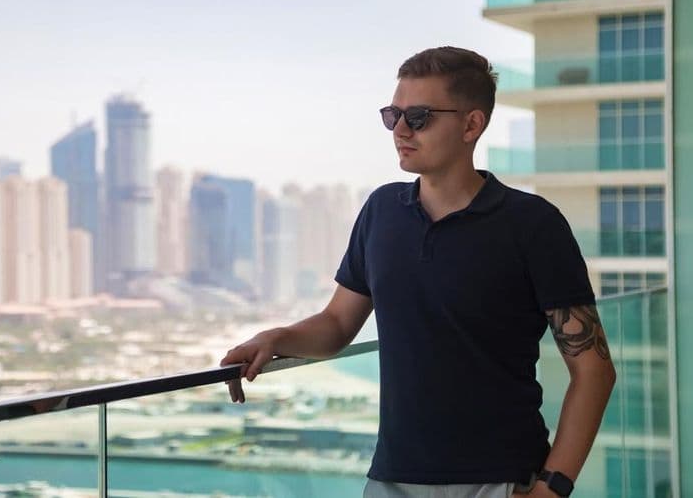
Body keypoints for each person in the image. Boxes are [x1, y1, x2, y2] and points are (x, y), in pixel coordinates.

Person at [220, 46, 617, 498]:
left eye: (420, 116)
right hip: (392, 478)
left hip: (499, 478)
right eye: (393, 116)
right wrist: (275, 339)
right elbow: (336, 325)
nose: (401, 130)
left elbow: (593, 370)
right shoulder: (381, 211)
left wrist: (553, 487)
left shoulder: (532, 224)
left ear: (472, 125)